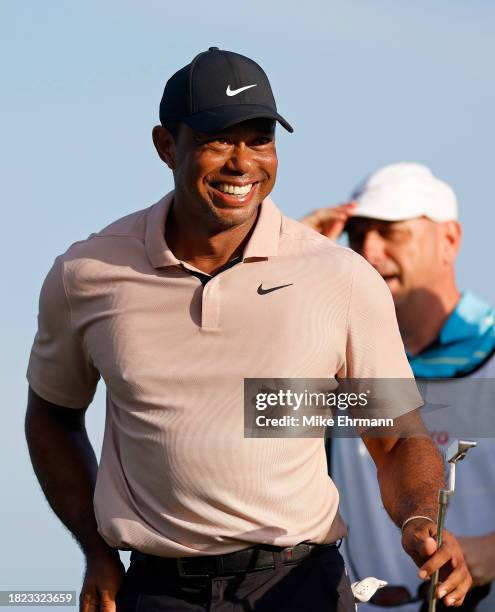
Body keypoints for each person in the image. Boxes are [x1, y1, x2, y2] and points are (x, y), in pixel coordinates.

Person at [25, 50, 471, 612]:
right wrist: (96, 550)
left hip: (298, 587)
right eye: (218, 140)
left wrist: (418, 521)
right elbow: (52, 416)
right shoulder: (87, 274)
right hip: (157, 592)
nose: (242, 162)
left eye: (259, 139)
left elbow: (397, 437)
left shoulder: (340, 278)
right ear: (167, 146)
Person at [302, 162, 495, 611]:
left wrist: (486, 554)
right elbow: (236, 411)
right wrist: (301, 253)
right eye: (358, 234)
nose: (369, 250)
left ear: (449, 240)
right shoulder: (331, 364)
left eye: (391, 232)